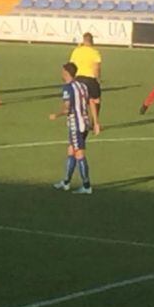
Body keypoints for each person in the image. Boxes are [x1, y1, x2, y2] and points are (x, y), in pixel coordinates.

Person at [50, 62, 100, 194]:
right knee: (71, 150)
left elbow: (67, 109)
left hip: (76, 125)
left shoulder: (68, 88)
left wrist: (56, 114)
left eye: (62, 71)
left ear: (66, 72)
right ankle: (66, 182)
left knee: (79, 153)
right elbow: (91, 102)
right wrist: (95, 122)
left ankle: (87, 186)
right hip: (85, 122)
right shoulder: (82, 86)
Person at [69, 32, 103, 119]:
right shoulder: (95, 52)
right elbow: (96, 68)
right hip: (90, 79)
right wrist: (98, 80)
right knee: (96, 100)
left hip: (78, 79)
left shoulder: (76, 51)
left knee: (80, 101)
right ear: (92, 41)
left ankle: (80, 119)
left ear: (83, 40)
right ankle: (94, 121)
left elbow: (71, 65)